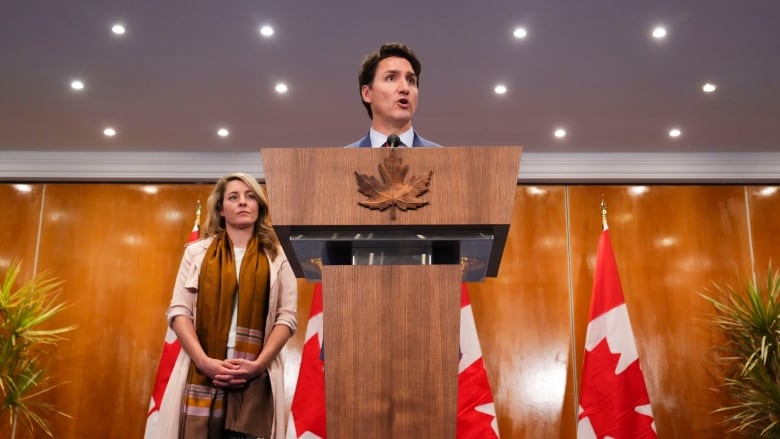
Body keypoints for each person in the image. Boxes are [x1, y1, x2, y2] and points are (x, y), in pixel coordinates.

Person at [164, 172, 298, 439]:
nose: (243, 203)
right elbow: (179, 312)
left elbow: (287, 317)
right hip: (202, 371)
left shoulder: (278, 255)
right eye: (233, 197)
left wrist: (258, 365)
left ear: (259, 206)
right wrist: (204, 362)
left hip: (257, 376)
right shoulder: (196, 252)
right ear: (221, 209)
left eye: (250, 197)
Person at [348, 42, 440, 147]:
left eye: (410, 80)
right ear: (367, 94)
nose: (405, 88)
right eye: (391, 78)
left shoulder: (446, 160)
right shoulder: (340, 161)